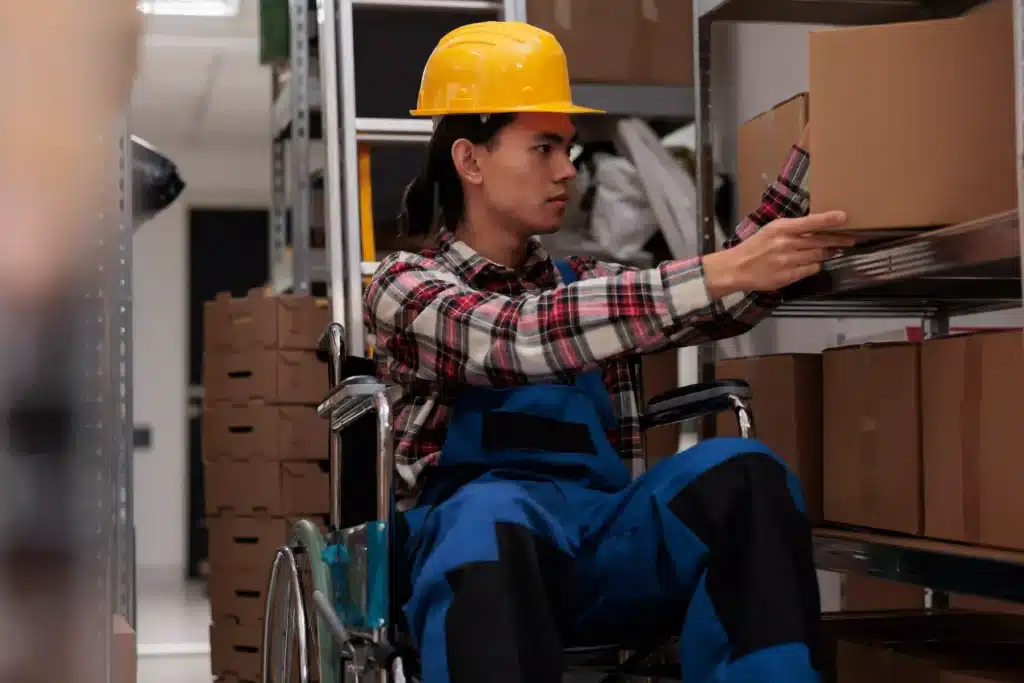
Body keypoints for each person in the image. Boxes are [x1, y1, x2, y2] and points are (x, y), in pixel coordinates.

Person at [365, 21, 852, 683]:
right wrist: (723, 269)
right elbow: (516, 336)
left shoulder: (586, 284)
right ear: (470, 160)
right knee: (487, 513)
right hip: (476, 564)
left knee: (746, 471)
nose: (569, 169)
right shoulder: (405, 286)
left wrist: (823, 152)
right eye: (543, 147)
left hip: (601, 544)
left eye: (568, 148)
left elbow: (731, 297)